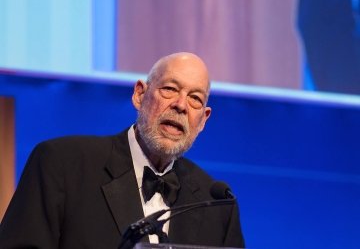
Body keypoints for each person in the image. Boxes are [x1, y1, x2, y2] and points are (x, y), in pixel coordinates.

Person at [0, 52, 245, 248]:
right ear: (140, 94)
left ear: (203, 120)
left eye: (195, 99)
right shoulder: (62, 164)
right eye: (169, 89)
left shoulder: (217, 204)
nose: (181, 105)